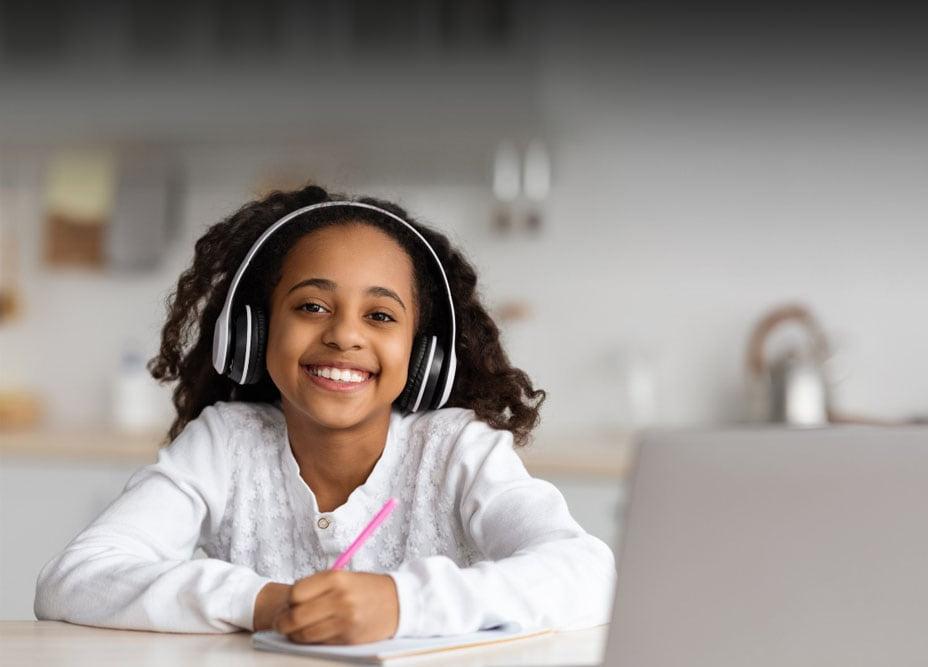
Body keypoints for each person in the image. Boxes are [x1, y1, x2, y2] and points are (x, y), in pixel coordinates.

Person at [34, 185, 616, 644]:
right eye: (312, 306)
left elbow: (588, 574)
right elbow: (75, 579)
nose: (343, 335)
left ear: (424, 354)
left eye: (381, 316)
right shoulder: (225, 444)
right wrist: (265, 603)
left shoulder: (458, 450)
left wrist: (401, 604)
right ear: (254, 332)